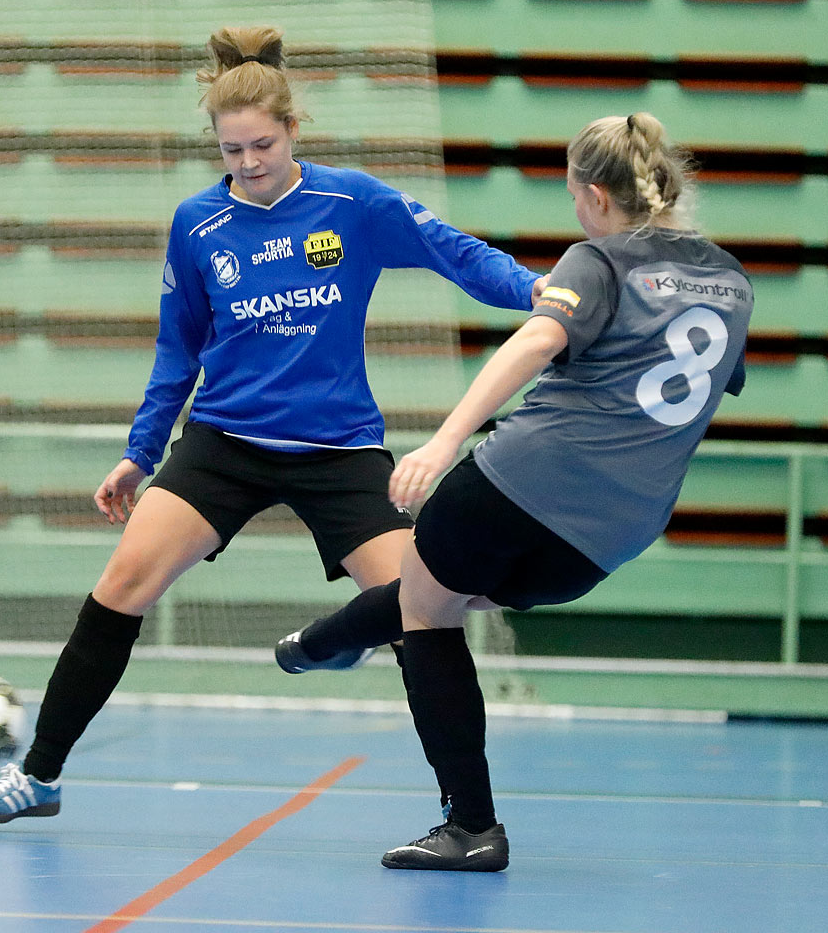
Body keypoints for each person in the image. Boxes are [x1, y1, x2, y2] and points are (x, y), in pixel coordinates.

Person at [0, 25, 547, 823]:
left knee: (421, 612)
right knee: (122, 584)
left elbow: (460, 256)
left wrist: (548, 297)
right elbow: (178, 351)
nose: (248, 163)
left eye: (261, 145)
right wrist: (140, 453)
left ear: (293, 130)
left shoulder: (353, 203)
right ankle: (39, 776)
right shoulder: (197, 225)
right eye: (231, 151)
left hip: (339, 450)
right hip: (224, 444)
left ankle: (467, 818)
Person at [274, 112, 752, 872]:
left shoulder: (598, 260)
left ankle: (470, 824)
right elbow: (713, 382)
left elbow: (537, 338)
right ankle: (315, 647)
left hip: (523, 481)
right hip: (610, 538)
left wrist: (444, 438)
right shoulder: (730, 280)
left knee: (424, 613)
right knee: (440, 592)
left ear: (595, 195)